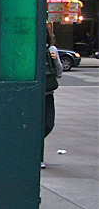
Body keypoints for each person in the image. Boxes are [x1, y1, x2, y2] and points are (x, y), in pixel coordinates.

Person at [42, 25, 63, 169]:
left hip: (48, 94)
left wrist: (54, 60)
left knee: (48, 124)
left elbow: (59, 72)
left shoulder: (51, 50)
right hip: (34, 96)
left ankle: (33, 144)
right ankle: (37, 156)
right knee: (36, 126)